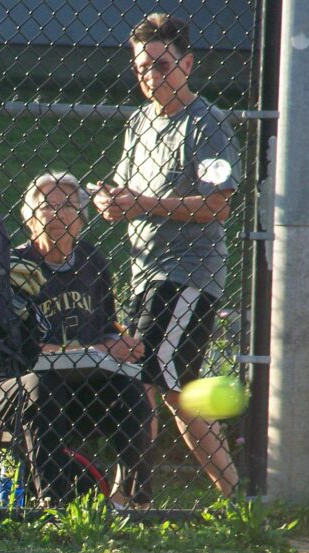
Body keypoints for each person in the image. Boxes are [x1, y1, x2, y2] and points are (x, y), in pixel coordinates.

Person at [92, 13, 240, 497]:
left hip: (186, 277)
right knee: (178, 395)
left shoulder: (207, 124)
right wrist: (111, 200)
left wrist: (143, 204)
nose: (150, 76)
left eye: (161, 64)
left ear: (188, 63)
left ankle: (128, 495)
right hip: (145, 275)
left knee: (141, 383)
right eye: (141, 67)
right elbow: (127, 187)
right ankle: (236, 497)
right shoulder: (138, 123)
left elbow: (218, 204)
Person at [0, 173, 153, 508]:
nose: (58, 214)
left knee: (131, 393)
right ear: (28, 218)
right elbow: (12, 348)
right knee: (44, 386)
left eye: (69, 205)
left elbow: (107, 327)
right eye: (46, 206)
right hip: (4, 387)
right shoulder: (13, 267)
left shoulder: (92, 262)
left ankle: (132, 503)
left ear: (83, 219)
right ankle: (53, 506)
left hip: (77, 388)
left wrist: (120, 341)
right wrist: (96, 349)